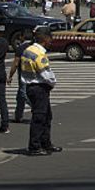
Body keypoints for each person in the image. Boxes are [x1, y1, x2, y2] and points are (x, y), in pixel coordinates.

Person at [17, 28, 62, 156]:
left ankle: (45, 143)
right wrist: (53, 83)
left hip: (31, 86)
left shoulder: (28, 50)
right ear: (45, 38)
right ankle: (35, 146)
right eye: (50, 38)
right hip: (39, 88)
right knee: (40, 117)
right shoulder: (39, 54)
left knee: (46, 116)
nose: (51, 41)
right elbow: (46, 74)